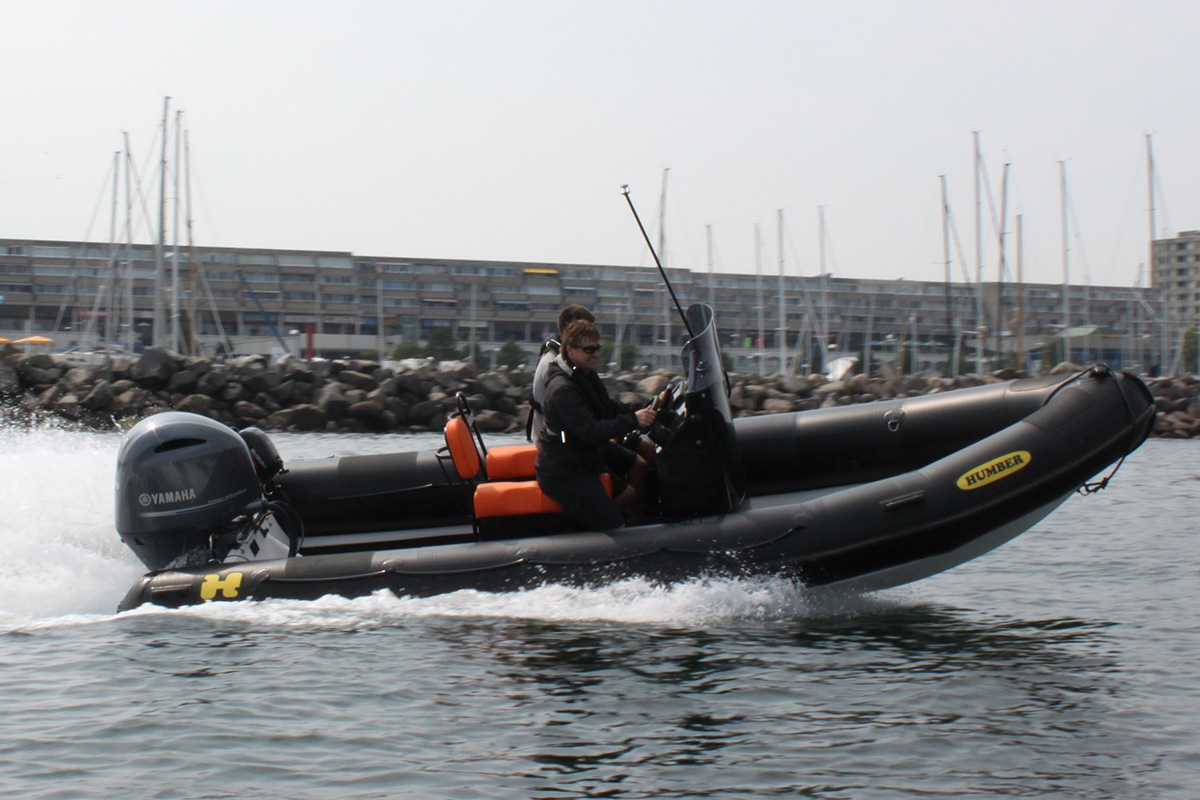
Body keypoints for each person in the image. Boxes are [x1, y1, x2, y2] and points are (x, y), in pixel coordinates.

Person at [535, 319, 657, 531]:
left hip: (580, 457)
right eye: (589, 350)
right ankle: (607, 528)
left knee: (628, 493)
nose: (596, 354)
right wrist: (634, 420)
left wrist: (644, 408)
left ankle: (598, 526)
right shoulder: (563, 389)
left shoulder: (583, 374)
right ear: (570, 349)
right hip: (564, 471)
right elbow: (591, 432)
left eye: (598, 348)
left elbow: (606, 408)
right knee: (615, 523)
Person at [528, 304, 594, 444]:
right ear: (566, 330)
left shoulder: (568, 362)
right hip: (552, 444)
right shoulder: (554, 366)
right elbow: (578, 422)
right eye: (584, 332)